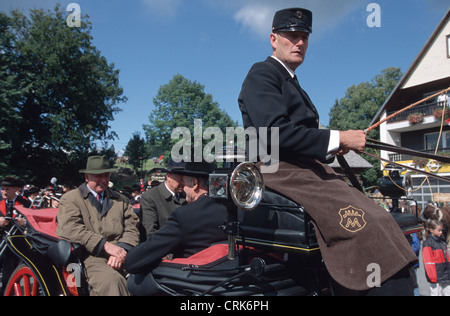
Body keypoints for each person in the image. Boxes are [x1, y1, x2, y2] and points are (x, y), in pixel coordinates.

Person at [238, 7, 417, 294]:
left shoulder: (292, 82)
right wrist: (339, 139)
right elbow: (275, 133)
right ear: (273, 39)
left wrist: (333, 151)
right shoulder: (262, 74)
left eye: (304, 37)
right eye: (292, 36)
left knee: (382, 216)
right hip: (278, 171)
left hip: (306, 169)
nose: (299, 43)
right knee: (365, 223)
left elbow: (302, 137)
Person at [124, 160, 228, 295]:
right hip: (226, 279)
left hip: (194, 283)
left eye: (185, 182)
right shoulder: (233, 210)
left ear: (195, 184)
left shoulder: (184, 215)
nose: (183, 187)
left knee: (135, 281)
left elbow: (133, 261)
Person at [56, 156, 140, 296]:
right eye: (98, 176)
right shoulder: (71, 199)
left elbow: (132, 227)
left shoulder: (121, 200)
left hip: (123, 254)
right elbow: (71, 228)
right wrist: (105, 245)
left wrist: (121, 250)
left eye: (106, 176)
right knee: (113, 282)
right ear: (86, 177)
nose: (103, 180)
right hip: (90, 257)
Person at [139, 159, 187, 238]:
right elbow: (150, 232)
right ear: (168, 176)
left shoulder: (187, 196)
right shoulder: (150, 197)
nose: (183, 183)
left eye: (185, 179)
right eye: (180, 179)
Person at [422, 220, 450, 296]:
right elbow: (428, 261)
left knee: (448, 292)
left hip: (446, 274)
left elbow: (448, 258)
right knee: (436, 293)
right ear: (431, 230)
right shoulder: (428, 243)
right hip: (436, 274)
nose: (441, 232)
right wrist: (432, 276)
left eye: (441, 230)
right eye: (439, 230)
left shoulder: (442, 242)